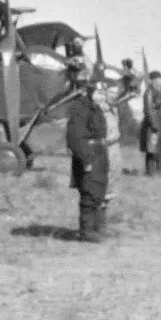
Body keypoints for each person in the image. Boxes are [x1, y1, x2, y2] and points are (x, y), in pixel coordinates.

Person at [66, 78, 109, 242]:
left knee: (99, 191)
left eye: (103, 94)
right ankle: (86, 231)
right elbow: (75, 138)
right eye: (98, 93)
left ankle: (96, 228)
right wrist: (86, 160)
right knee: (89, 193)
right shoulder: (80, 109)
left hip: (100, 154)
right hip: (89, 155)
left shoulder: (96, 109)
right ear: (90, 92)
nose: (101, 97)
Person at [139, 70, 161, 176]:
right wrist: (154, 124)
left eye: (160, 79)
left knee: (160, 148)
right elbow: (148, 110)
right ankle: (150, 172)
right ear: (152, 81)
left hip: (160, 124)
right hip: (153, 125)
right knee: (151, 149)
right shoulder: (149, 92)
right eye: (156, 80)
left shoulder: (159, 92)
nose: (159, 82)